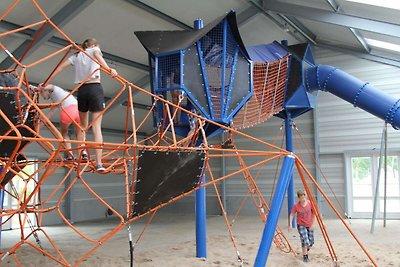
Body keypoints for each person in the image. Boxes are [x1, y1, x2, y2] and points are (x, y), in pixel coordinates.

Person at [45, 38, 117, 172]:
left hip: (82, 91)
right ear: (94, 45)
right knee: (96, 128)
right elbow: (97, 57)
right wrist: (109, 69)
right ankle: (99, 163)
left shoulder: (76, 56)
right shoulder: (95, 50)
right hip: (94, 88)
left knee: (82, 127)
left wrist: (46, 82)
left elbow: (60, 67)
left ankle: (79, 158)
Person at [38, 84, 80, 160]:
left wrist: (41, 88)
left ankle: (70, 155)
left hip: (68, 111)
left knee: (64, 133)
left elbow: (50, 86)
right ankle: (83, 153)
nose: (42, 96)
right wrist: (39, 126)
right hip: (79, 111)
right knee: (79, 133)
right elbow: (50, 113)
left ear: (45, 91)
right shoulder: (57, 98)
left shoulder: (56, 91)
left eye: (41, 93)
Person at [289, 189, 316, 263]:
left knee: (311, 242)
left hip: (309, 224)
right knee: (305, 240)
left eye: (304, 197)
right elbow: (291, 214)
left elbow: (314, 214)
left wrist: (313, 224)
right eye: (301, 197)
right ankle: (305, 256)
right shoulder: (296, 206)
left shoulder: (310, 204)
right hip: (301, 225)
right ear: (299, 198)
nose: (303, 199)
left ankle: (306, 251)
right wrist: (290, 224)